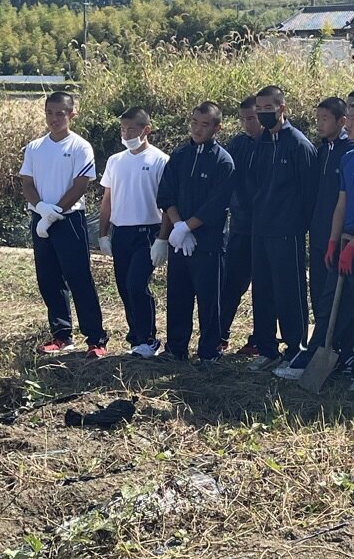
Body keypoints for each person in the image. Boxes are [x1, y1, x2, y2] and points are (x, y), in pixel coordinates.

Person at [282, 96, 354, 383]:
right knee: (330, 301)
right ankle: (320, 354)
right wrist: (333, 242)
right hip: (342, 242)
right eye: (349, 118)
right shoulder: (347, 158)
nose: (350, 125)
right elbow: (341, 204)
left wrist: (353, 246)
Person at [19, 91, 107, 358]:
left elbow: (80, 185)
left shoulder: (80, 147)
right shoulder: (35, 147)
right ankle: (61, 336)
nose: (54, 119)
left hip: (68, 219)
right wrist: (41, 209)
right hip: (41, 217)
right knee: (48, 278)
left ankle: (95, 339)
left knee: (78, 277)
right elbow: (27, 182)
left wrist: (55, 211)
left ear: (71, 114)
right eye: (49, 112)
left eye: (60, 113)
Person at [157, 102, 235, 363]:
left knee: (209, 299)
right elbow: (166, 194)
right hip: (180, 240)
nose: (198, 129)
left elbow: (216, 203)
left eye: (204, 124)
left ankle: (209, 351)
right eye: (194, 123)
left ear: (216, 127)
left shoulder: (223, 161)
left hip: (208, 242)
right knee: (178, 295)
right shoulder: (179, 156)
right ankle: (176, 348)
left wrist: (189, 226)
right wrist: (178, 227)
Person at [248, 85, 319, 370]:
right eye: (259, 109)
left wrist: (296, 225)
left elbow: (309, 192)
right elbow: (254, 183)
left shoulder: (298, 144)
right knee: (262, 290)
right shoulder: (260, 143)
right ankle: (266, 347)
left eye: (269, 108)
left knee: (289, 291)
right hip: (260, 228)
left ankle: (295, 348)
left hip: (287, 231)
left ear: (282, 108)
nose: (264, 114)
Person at [99, 109, 169, 358]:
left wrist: (162, 238)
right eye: (123, 129)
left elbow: (168, 203)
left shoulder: (160, 160)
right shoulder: (115, 161)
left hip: (147, 232)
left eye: (131, 130)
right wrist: (103, 234)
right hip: (122, 233)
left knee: (136, 284)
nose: (126, 134)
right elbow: (107, 199)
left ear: (145, 130)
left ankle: (148, 338)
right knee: (123, 287)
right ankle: (135, 336)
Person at [307, 96, 353, 351]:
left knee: (332, 296)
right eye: (318, 119)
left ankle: (329, 346)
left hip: (339, 235)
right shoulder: (322, 150)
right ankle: (320, 342)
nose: (320, 124)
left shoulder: (349, 152)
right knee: (317, 291)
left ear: (342, 121)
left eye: (325, 119)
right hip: (318, 233)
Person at [218, 96, 260, 351]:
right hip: (240, 223)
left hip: (268, 226)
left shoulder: (273, 144)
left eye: (252, 118)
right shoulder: (237, 144)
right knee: (232, 281)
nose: (247, 124)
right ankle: (220, 334)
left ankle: (260, 339)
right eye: (242, 119)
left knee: (265, 288)